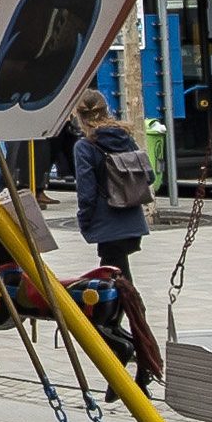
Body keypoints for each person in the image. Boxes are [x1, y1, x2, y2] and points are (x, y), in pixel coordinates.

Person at [62, 86, 153, 282]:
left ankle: (138, 312)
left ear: (79, 115)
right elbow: (149, 176)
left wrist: (84, 221)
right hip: (133, 222)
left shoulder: (84, 146)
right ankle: (133, 312)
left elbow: (86, 193)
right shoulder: (125, 137)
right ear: (106, 110)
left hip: (107, 224)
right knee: (117, 279)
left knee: (115, 283)